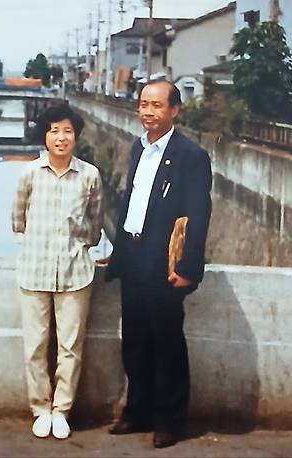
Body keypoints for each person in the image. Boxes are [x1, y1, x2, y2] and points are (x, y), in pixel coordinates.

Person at [105, 80, 212, 449]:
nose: (148, 112)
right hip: (133, 256)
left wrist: (188, 268)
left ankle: (170, 421)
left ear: (174, 110)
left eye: (157, 105)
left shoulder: (190, 156)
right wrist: (118, 252)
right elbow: (131, 203)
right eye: (143, 104)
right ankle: (138, 412)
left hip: (163, 261)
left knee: (166, 341)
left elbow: (198, 214)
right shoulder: (139, 148)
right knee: (135, 339)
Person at [12, 104, 103, 440]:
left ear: (76, 136)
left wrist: (77, 246)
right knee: (35, 345)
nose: (61, 137)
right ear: (45, 136)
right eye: (54, 131)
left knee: (70, 346)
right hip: (34, 270)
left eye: (67, 131)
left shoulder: (90, 176)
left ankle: (62, 409)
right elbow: (18, 221)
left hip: (75, 271)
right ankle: (40, 409)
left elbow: (96, 225)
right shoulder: (29, 174)